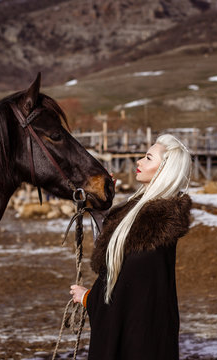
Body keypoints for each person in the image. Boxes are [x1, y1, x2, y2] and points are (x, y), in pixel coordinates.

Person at [70, 134, 192, 360]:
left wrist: (89, 298)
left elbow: (126, 296)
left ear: (163, 170)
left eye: (148, 158)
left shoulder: (153, 225)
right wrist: (105, 211)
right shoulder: (149, 214)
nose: (139, 162)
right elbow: (118, 263)